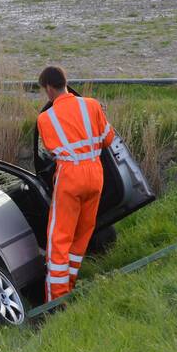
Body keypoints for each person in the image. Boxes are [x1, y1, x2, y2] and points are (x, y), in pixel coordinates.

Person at [35, 66, 115, 302]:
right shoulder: (92, 105)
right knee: (82, 234)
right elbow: (108, 139)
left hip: (70, 176)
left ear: (49, 89)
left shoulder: (45, 118)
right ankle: (69, 283)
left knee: (59, 238)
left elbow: (51, 150)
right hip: (95, 174)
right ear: (65, 82)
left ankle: (57, 298)